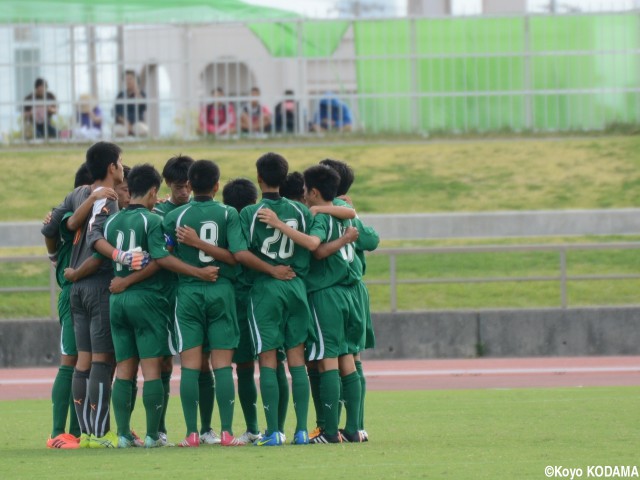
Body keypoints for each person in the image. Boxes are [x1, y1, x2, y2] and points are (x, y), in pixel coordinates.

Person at [41, 141, 148, 449]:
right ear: (112, 167)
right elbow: (98, 246)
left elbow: (52, 227)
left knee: (82, 362)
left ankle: (84, 433)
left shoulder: (77, 194)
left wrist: (60, 265)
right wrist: (119, 258)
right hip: (97, 283)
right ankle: (96, 434)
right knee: (102, 361)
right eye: (120, 162)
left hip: (74, 288)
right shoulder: (110, 201)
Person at [162, 160, 250, 448]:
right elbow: (236, 256)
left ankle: (191, 434)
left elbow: (164, 257)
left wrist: (195, 246)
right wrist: (206, 248)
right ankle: (226, 433)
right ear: (217, 185)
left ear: (189, 183)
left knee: (190, 366)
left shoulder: (175, 216)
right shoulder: (227, 214)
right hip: (221, 289)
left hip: (187, 292)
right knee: (223, 365)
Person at [238, 152, 320, 446]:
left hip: (265, 288)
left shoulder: (249, 213)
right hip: (295, 285)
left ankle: (273, 431)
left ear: (258, 177)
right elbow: (309, 250)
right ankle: (300, 430)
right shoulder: (300, 212)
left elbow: (241, 253)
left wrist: (271, 269)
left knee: (268, 359)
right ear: (285, 179)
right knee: (297, 359)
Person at [153, 155, 220, 447]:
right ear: (168, 185)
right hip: (165, 297)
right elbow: (159, 256)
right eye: (178, 187)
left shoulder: (203, 210)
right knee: (163, 363)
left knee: (203, 362)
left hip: (195, 296)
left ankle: (206, 428)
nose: (183, 192)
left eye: (187, 186)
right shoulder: (160, 214)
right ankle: (160, 428)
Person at [101, 163, 169, 448]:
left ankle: (124, 434)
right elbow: (159, 262)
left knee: (124, 369)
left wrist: (123, 281)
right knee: (152, 369)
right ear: (153, 192)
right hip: (146, 299)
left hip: (117, 300)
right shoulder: (152, 221)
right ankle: (153, 435)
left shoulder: (112, 221)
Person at [318, 158, 380, 441]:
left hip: (330, 290)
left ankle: (328, 427)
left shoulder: (317, 213)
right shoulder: (348, 212)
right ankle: (357, 425)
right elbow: (370, 240)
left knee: (328, 358)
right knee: (353, 358)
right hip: (355, 290)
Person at [114, 70, 148, 138]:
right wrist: (126, 122)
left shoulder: (141, 94)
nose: (128, 81)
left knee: (142, 129)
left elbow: (143, 107)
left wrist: (137, 93)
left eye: (130, 79)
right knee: (118, 130)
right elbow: (117, 113)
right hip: (124, 124)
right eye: (126, 79)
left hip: (137, 123)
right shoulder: (120, 95)